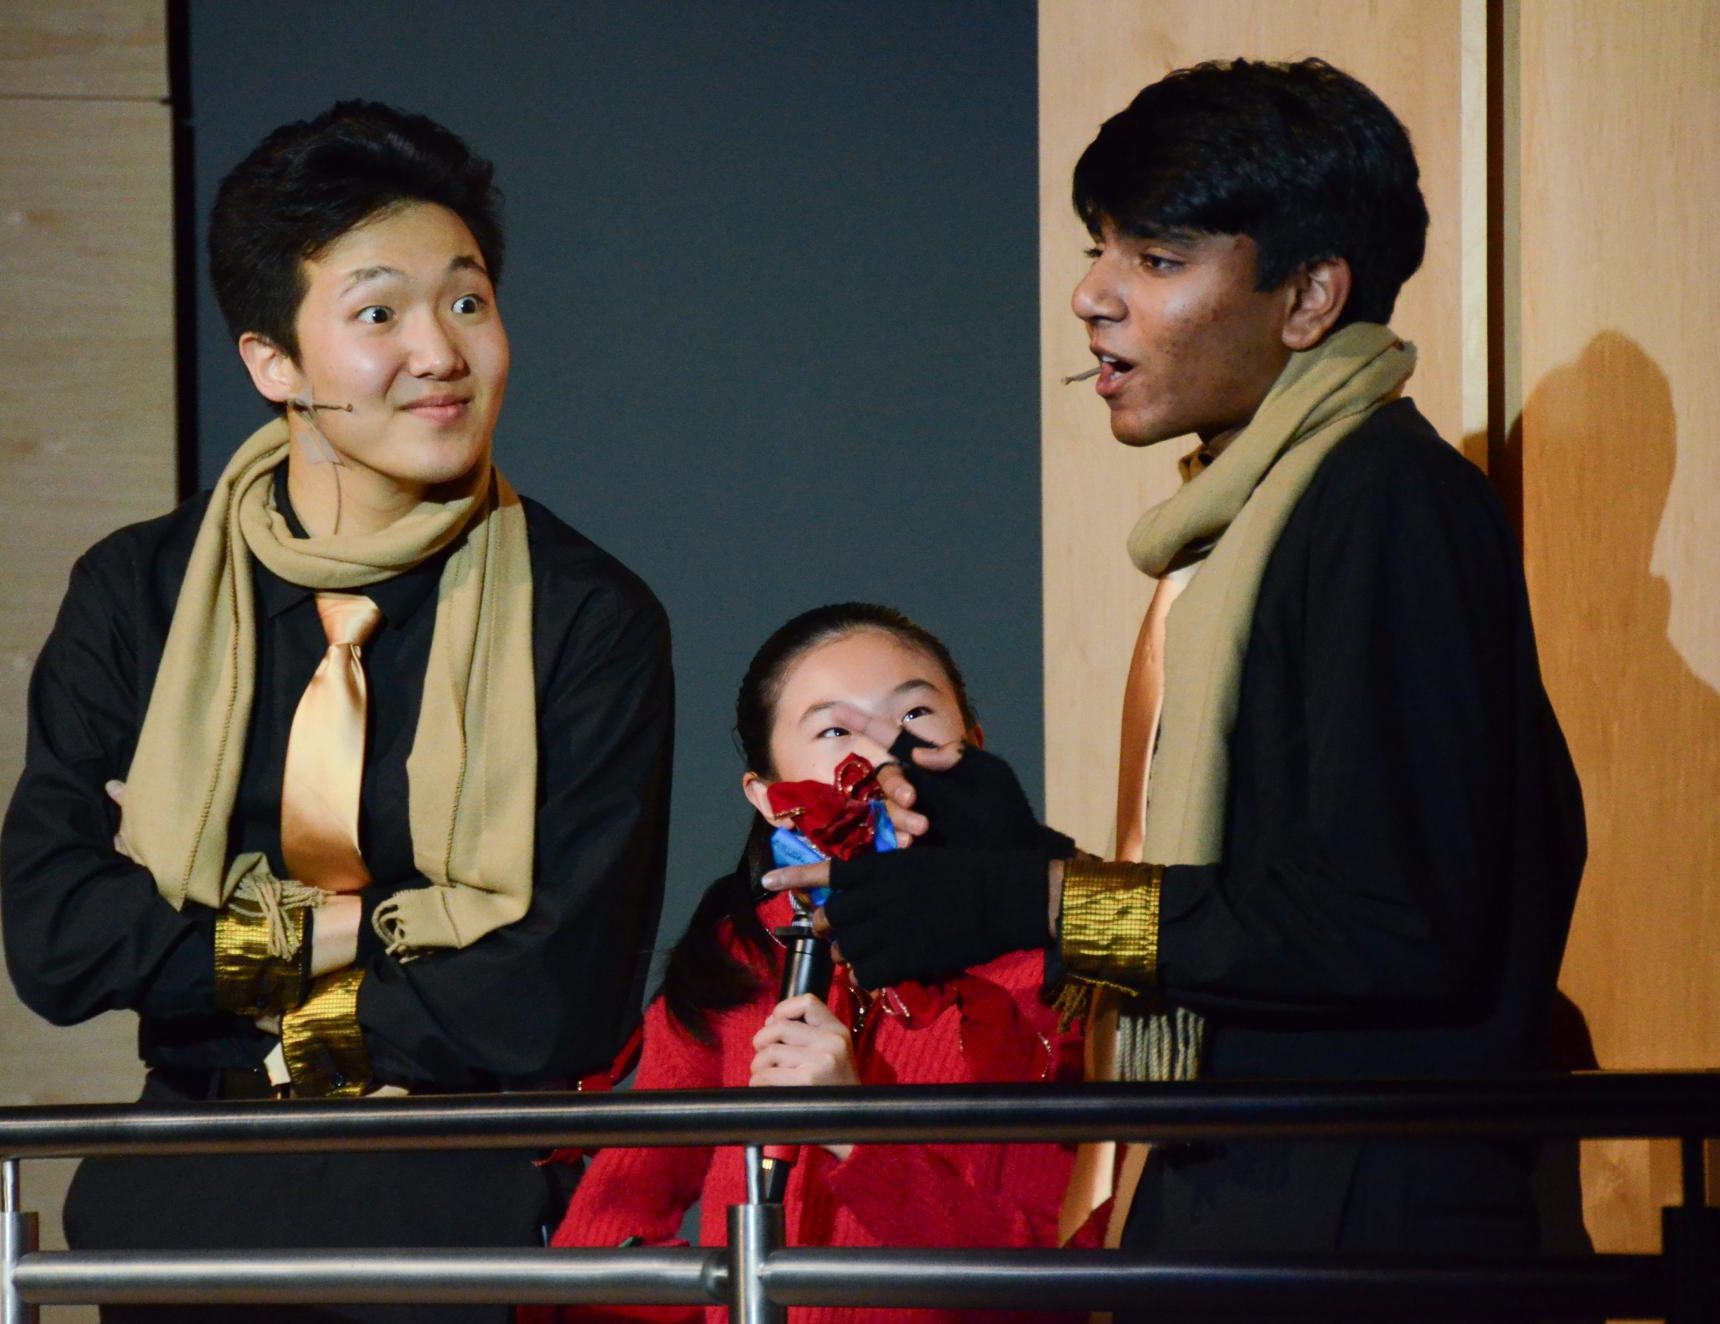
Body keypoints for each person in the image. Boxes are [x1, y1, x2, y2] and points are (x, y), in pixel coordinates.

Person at [768, 58, 1586, 1308]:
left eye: (1156, 261)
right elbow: (1276, 889)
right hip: (1259, 1194)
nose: (1093, 297)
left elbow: (1383, 923)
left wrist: (1034, 897)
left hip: (1363, 1231)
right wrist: (1025, 855)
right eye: (1102, 249)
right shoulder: (1259, 512)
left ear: (1309, 297)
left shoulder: (1383, 501)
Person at [1, 101, 673, 1322]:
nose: (442, 352)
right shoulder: (138, 592)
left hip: (446, 1208)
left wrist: (225, 971)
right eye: (379, 314)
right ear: (274, 363)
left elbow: (555, 994)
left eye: (467, 301)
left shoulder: (587, 615)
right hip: (179, 1202)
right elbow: (53, 933)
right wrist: (348, 934)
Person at [531, 603, 1087, 1324]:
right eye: (833, 729)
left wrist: (859, 1138)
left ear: (973, 744)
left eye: (915, 713)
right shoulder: (737, 958)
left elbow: (1066, 1277)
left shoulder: (1060, 963)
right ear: (765, 794)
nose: (881, 753)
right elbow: (603, 1233)